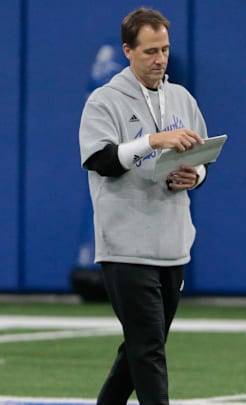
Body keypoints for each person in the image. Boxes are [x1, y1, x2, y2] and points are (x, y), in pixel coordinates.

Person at [78, 7, 209, 404]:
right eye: (151, 51)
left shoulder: (181, 98)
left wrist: (194, 177)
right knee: (148, 349)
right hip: (126, 246)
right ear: (128, 51)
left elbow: (202, 158)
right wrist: (152, 143)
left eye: (165, 49)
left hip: (172, 244)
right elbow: (100, 160)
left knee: (139, 348)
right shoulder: (104, 101)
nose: (160, 59)